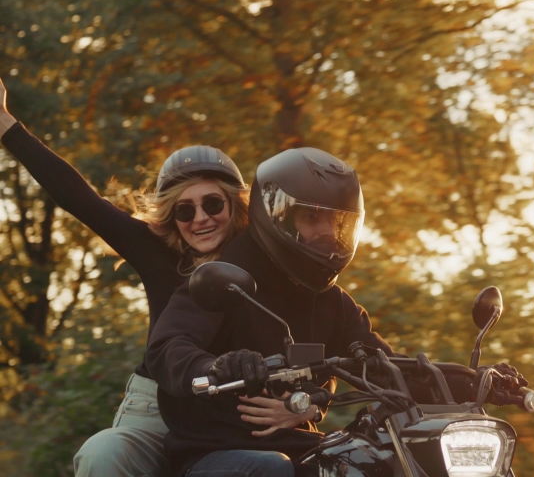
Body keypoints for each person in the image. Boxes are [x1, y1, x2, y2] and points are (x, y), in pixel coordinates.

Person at [0, 77, 310, 476]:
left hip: (234, 416)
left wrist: (308, 405)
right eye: (185, 210)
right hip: (154, 408)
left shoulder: (269, 262)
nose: (200, 218)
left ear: (236, 205)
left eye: (213, 204)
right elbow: (80, 199)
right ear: (172, 217)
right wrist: (7, 125)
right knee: (102, 454)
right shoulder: (156, 251)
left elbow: (318, 334)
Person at [147, 147, 398, 476]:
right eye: (312, 217)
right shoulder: (224, 280)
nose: (327, 231)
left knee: (370, 461)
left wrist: (460, 381)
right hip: (217, 452)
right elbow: (167, 347)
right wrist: (216, 366)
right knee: (270, 467)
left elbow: (388, 367)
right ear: (280, 217)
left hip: (301, 449)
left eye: (337, 220)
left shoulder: (335, 303)